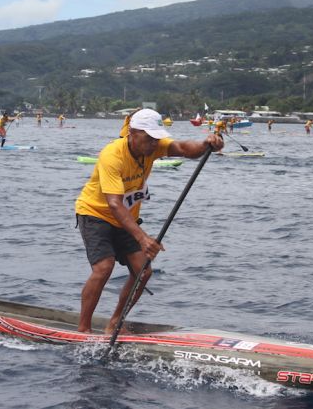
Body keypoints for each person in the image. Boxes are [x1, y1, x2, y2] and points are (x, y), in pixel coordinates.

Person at [74, 109, 224, 334]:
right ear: (132, 133)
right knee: (104, 267)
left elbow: (184, 149)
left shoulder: (153, 146)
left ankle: (114, 322)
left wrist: (207, 145)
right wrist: (142, 238)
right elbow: (114, 204)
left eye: (156, 138)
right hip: (96, 213)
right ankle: (83, 329)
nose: (154, 143)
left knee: (143, 271)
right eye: (148, 137)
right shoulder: (112, 155)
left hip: (125, 218)